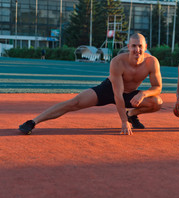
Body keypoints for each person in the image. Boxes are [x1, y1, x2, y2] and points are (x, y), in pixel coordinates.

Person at [19, 33, 163, 136]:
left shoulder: (152, 62)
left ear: (145, 46)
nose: (137, 50)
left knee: (157, 102)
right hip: (109, 89)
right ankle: (33, 122)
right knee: (74, 103)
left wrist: (143, 93)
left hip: (130, 94)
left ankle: (131, 114)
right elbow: (117, 95)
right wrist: (123, 122)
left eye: (140, 46)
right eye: (133, 46)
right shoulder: (118, 62)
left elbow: (157, 87)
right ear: (128, 46)